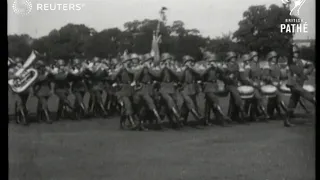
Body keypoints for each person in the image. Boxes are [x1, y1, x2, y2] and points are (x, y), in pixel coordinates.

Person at [285, 45, 316, 127]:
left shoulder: (300, 61)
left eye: (297, 52)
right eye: (295, 52)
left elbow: (311, 65)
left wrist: (308, 70)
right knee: (307, 95)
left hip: (299, 83)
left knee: (293, 100)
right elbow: (298, 71)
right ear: (291, 53)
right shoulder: (290, 62)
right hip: (293, 84)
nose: (297, 54)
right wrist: (305, 72)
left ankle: (287, 119)